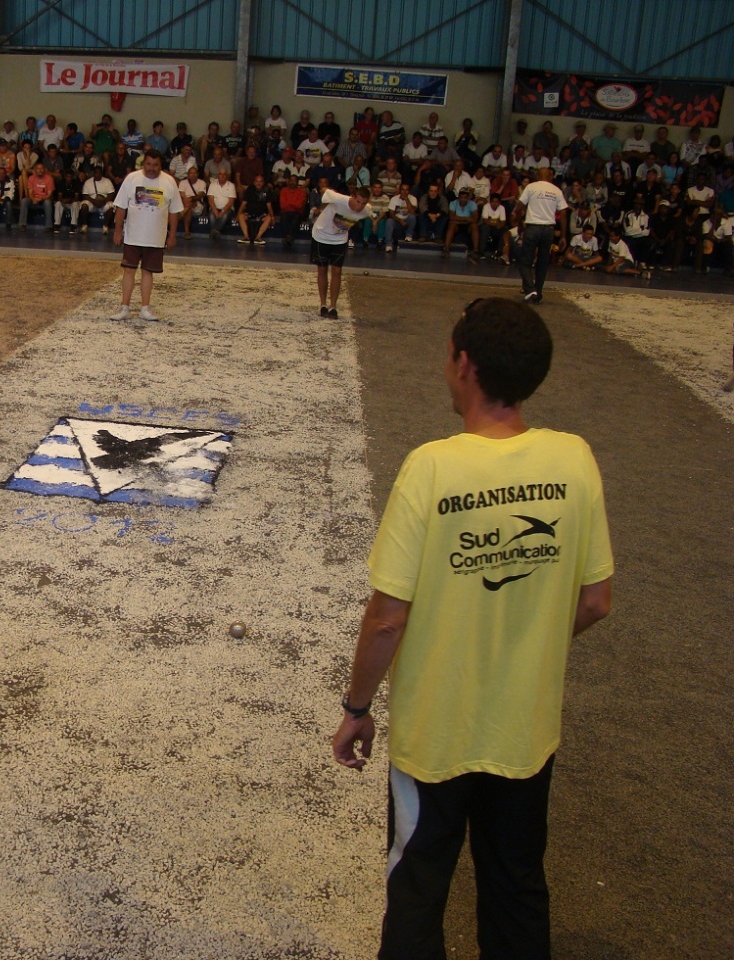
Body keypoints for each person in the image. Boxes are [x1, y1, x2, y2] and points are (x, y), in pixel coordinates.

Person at [332, 296, 613, 959]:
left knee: (418, 886)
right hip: (523, 727)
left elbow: (386, 618)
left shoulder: (432, 467)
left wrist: (357, 709)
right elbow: (596, 602)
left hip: (436, 729)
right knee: (516, 884)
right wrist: (529, 642)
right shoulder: (574, 459)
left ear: (464, 364)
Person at [109, 148, 182, 323]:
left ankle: (145, 308)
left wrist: (172, 235)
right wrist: (118, 231)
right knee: (129, 270)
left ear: (160, 165)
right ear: (144, 164)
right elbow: (121, 207)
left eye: (155, 165)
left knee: (148, 272)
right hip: (133, 236)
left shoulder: (169, 181)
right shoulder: (131, 178)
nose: (151, 168)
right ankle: (124, 307)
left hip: (155, 238)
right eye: (148, 164)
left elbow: (174, 212)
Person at [310, 186, 371, 319]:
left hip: (339, 240)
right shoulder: (339, 199)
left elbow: (372, 214)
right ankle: (323, 304)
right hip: (321, 236)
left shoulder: (366, 210)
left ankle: (333, 306)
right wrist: (322, 207)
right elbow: (324, 190)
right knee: (322, 269)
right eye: (358, 201)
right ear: (353, 197)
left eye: (363, 203)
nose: (359, 206)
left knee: (337, 271)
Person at [514, 167, 569, 304]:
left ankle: (530, 289)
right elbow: (563, 214)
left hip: (532, 227)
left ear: (537, 176)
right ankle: (538, 293)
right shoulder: (556, 190)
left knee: (525, 261)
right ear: (550, 176)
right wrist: (563, 235)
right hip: (548, 230)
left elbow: (519, 207)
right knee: (542, 263)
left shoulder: (531, 187)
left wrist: (519, 224)